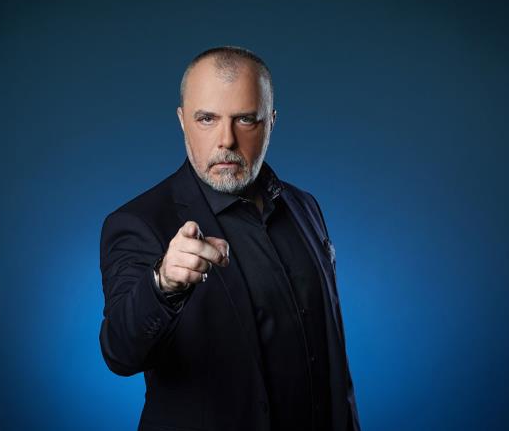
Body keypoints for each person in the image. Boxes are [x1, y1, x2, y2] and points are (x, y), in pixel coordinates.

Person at [99, 46, 360, 431]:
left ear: (271, 122)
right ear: (182, 121)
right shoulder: (139, 221)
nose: (226, 140)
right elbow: (121, 353)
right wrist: (163, 285)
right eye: (207, 119)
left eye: (245, 119)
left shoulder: (304, 207)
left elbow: (330, 353)